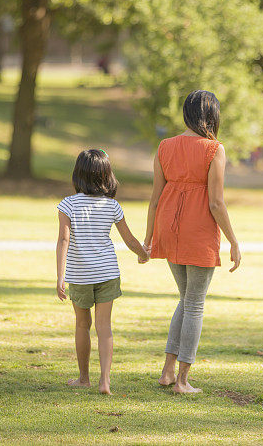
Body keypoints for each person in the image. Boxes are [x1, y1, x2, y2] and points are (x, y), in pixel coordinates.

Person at [143, 90, 241, 395]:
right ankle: (182, 381)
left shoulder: (164, 146)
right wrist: (234, 241)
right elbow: (216, 203)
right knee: (195, 303)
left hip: (169, 228)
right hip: (198, 231)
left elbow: (155, 199)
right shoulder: (214, 149)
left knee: (186, 299)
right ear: (212, 115)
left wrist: (148, 239)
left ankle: (168, 372)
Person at [55, 149, 148, 395]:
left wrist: (60, 276)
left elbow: (64, 240)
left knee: (82, 325)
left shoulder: (68, 205)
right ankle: (105, 381)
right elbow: (129, 240)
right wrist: (144, 253)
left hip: (80, 275)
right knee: (104, 327)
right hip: (107, 273)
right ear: (107, 176)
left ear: (78, 175)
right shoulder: (112, 206)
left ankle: (84, 378)